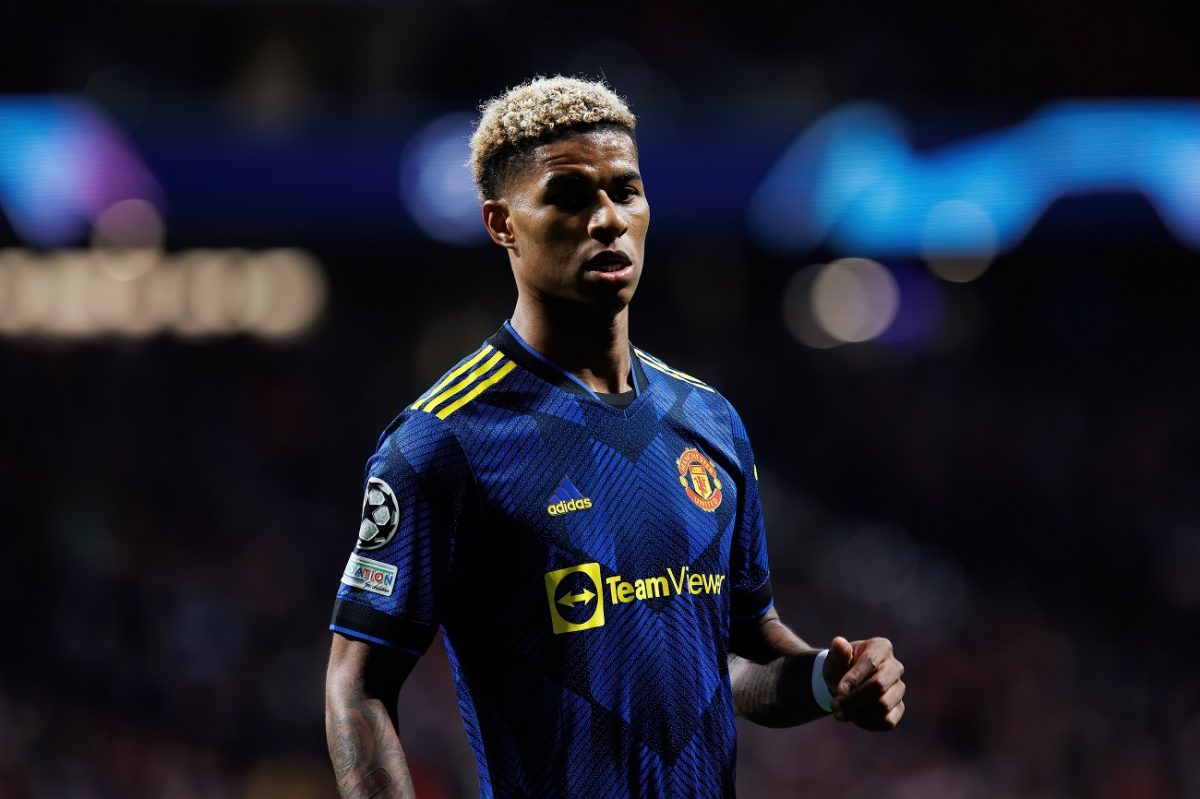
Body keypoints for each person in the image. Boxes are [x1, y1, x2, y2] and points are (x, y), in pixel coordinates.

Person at [324, 76, 905, 799]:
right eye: (570, 196)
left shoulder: (711, 421)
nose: (607, 219)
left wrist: (829, 679)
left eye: (625, 191)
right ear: (502, 224)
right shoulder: (444, 441)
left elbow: (741, 649)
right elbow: (358, 684)